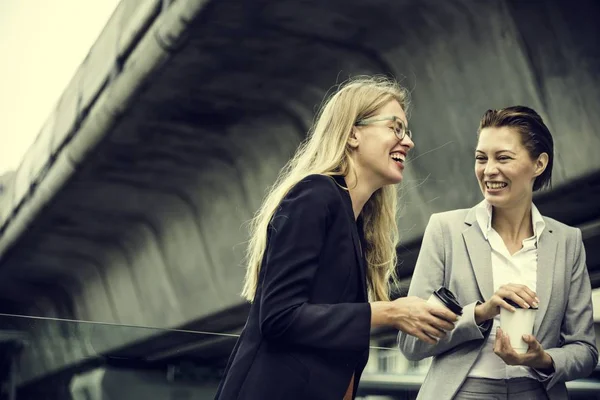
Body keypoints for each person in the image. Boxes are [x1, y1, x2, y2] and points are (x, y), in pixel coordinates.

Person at [214, 76, 458, 400]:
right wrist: (390, 312)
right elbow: (278, 317)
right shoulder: (315, 195)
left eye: (407, 131)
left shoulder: (353, 222)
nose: (408, 142)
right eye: (395, 127)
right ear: (353, 133)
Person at [398, 106, 598, 399]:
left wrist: (543, 359)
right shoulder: (445, 230)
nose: (489, 170)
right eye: (481, 158)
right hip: (462, 391)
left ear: (539, 164)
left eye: (503, 157)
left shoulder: (567, 241)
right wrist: (479, 313)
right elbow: (411, 342)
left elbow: (586, 349)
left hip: (536, 390)